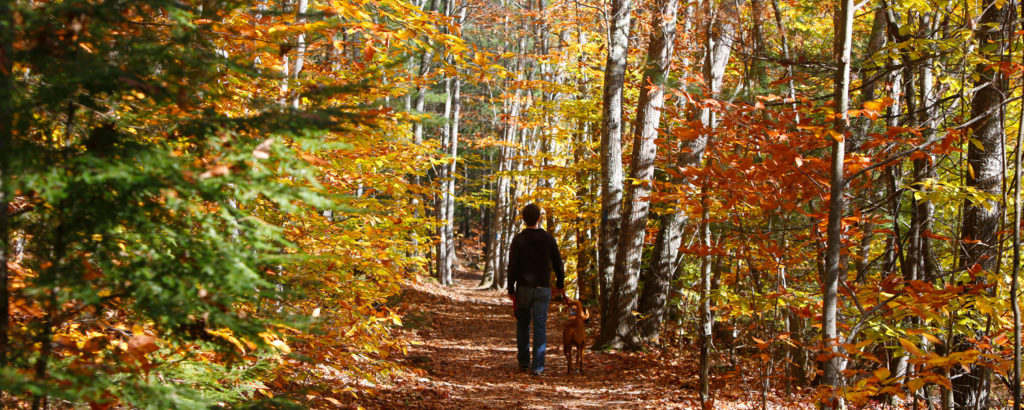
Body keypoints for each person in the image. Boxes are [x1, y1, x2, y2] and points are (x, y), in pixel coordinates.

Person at [507, 203, 565, 376]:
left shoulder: (519, 239)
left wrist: (511, 288)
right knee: (540, 326)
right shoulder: (548, 239)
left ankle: (524, 362)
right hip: (542, 289)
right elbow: (558, 263)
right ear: (539, 218)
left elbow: (512, 266)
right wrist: (560, 285)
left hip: (523, 288)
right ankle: (538, 367)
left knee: (523, 324)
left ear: (524, 219)